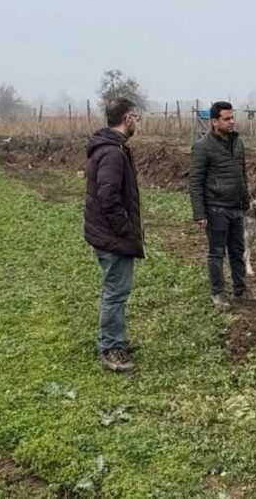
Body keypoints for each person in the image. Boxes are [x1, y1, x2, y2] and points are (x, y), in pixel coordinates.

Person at [83, 98, 144, 374]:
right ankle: (111, 349)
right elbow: (107, 197)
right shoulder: (112, 153)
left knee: (116, 291)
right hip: (112, 237)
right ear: (127, 118)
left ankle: (117, 340)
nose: (138, 123)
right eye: (137, 117)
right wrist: (125, 229)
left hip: (108, 235)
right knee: (115, 293)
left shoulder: (112, 149)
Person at [189, 101, 256, 309]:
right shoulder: (203, 147)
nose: (231, 122)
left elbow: (242, 173)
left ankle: (241, 289)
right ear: (214, 121)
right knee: (217, 252)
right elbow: (195, 182)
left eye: (232, 118)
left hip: (236, 207)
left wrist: (245, 200)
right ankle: (218, 293)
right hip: (216, 208)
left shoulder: (237, 143)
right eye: (226, 119)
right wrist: (199, 213)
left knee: (238, 250)